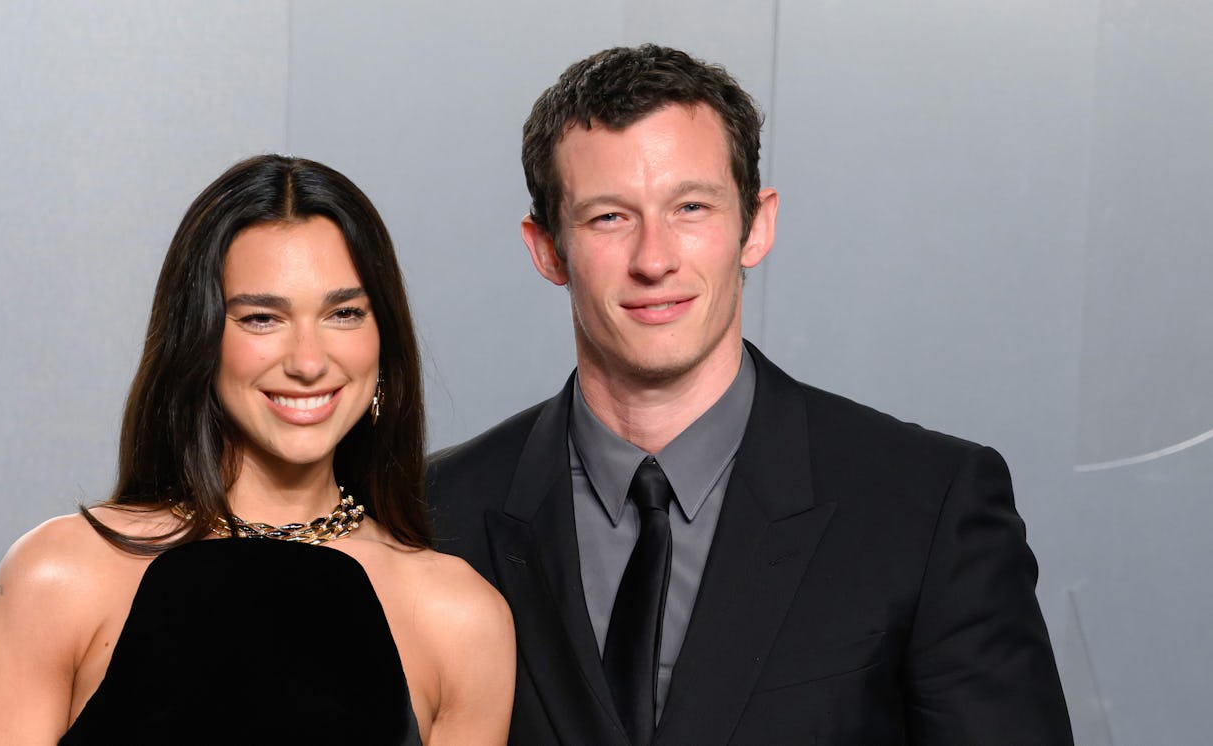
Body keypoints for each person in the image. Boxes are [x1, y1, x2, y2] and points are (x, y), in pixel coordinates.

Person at [426, 45, 1073, 745]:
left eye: (691, 207)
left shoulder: (927, 504)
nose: (654, 259)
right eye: (609, 217)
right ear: (548, 249)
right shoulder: (433, 513)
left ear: (755, 226)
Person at [0, 155, 514, 745]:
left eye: (344, 313)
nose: (308, 362)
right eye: (262, 318)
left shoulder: (459, 618)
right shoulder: (58, 577)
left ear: (385, 339)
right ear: (199, 338)